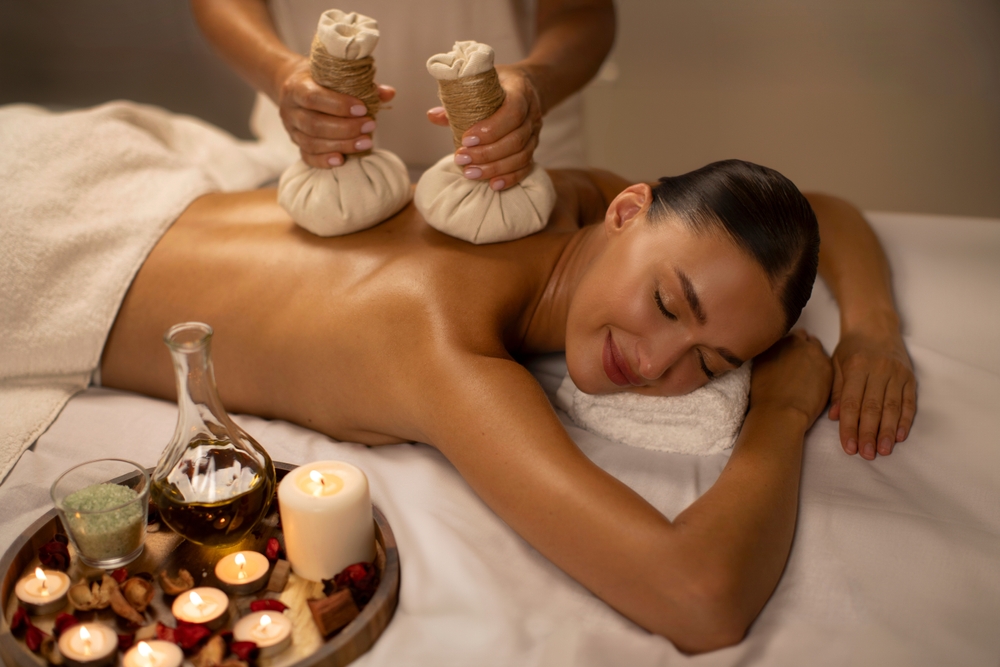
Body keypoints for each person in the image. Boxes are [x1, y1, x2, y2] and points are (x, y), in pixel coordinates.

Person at [100, 160, 914, 651]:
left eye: (712, 362)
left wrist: (875, 332)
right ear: (629, 210)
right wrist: (780, 410)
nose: (657, 363)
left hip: (158, 204)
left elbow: (821, 210)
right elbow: (698, 598)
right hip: (86, 250)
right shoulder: (441, 341)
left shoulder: (570, 202)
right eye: (670, 305)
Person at [190, 0, 616, 184]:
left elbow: (581, 7)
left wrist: (537, 81)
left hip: (516, 154)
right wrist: (280, 70)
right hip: (310, 148)